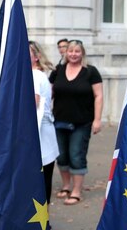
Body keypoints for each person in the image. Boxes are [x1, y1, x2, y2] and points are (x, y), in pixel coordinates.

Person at [49, 39, 102, 205]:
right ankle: (66, 186)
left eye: (77, 51)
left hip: (82, 122)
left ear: (82, 53)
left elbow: (98, 96)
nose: (73, 54)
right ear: (66, 53)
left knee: (76, 155)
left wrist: (97, 120)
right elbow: (48, 92)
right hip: (58, 121)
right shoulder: (58, 70)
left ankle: (76, 190)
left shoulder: (90, 72)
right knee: (62, 156)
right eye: (70, 51)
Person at [30, 41, 59, 203]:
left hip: (39, 136)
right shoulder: (39, 75)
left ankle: (42, 224)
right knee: (43, 181)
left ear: (36, 57)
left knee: (39, 182)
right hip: (44, 134)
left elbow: (32, 103)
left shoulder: (34, 76)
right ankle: (43, 222)